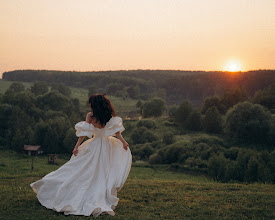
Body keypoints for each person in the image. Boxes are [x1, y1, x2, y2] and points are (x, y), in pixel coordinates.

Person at [30, 94, 132, 217]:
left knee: (92, 170)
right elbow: (115, 133)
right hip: (105, 145)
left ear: (94, 105)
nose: (89, 107)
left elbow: (84, 133)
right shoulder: (106, 116)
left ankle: (93, 192)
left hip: (96, 144)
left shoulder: (92, 116)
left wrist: (77, 145)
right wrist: (123, 142)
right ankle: (94, 192)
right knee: (96, 170)